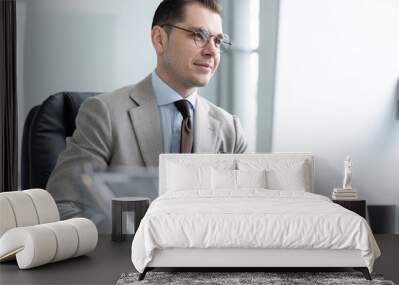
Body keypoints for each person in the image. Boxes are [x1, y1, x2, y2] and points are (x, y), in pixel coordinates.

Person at [46, 0, 248, 221]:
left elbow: (246, 213)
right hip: (126, 253)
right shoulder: (104, 114)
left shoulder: (230, 130)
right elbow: (64, 205)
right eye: (199, 35)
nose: (211, 51)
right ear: (160, 39)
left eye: (218, 41)